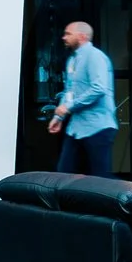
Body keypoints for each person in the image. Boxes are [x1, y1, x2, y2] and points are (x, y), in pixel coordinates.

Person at [49, 19, 118, 177]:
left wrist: (69, 107)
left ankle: (131, 197)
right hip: (76, 128)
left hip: (98, 127)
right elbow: (70, 90)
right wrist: (59, 116)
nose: (64, 37)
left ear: (82, 36)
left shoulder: (95, 57)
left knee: (101, 178)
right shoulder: (72, 60)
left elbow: (99, 88)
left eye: (68, 34)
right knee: (64, 175)